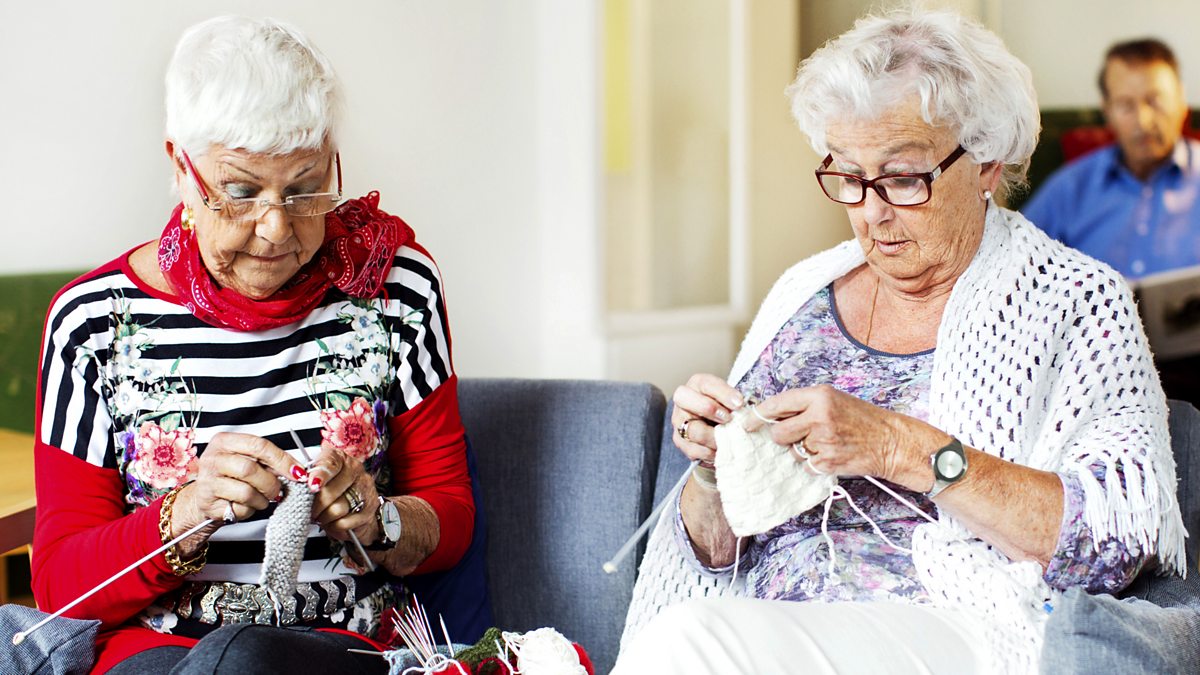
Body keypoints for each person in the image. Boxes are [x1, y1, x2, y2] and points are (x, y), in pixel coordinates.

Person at [617, 10, 1187, 674]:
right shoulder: (800, 294)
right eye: (849, 176)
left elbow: (1114, 544)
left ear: (985, 163)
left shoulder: (1076, 300)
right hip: (766, 629)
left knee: (692, 641)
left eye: (903, 177)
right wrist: (717, 470)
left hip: (960, 625)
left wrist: (896, 446)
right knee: (693, 636)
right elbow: (717, 555)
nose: (871, 211)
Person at [31, 16, 474, 674]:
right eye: (240, 192)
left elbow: (451, 516)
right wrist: (180, 516)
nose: (276, 229)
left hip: (340, 647)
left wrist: (378, 520)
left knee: (245, 661)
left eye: (304, 188)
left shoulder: (393, 290)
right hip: (156, 654)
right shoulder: (94, 322)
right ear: (181, 169)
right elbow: (60, 585)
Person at [1022, 38, 1200, 279]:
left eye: (1155, 101)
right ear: (1106, 111)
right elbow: (1013, 267)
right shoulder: (1069, 188)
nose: (1143, 121)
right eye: (1126, 105)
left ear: (1181, 100)